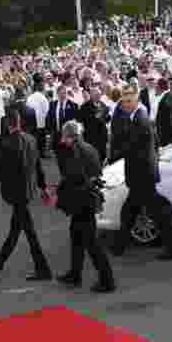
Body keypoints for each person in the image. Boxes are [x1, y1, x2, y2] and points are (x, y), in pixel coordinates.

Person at [0, 105, 52, 281]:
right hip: (28, 190)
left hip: (16, 194)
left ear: (7, 124)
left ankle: (43, 269)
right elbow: (38, 167)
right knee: (16, 228)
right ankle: (1, 259)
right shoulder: (31, 139)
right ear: (19, 122)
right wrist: (43, 187)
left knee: (30, 232)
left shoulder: (7, 145)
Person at [111, 87, 172, 260]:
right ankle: (119, 245)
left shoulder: (140, 119)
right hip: (141, 173)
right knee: (130, 210)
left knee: (157, 213)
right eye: (123, 102)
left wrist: (114, 156)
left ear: (136, 102)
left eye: (128, 101)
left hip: (143, 175)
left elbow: (132, 146)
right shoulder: (137, 117)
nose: (125, 105)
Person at [56, 121, 116, 293]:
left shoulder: (75, 151)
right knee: (76, 235)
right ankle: (75, 274)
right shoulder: (90, 148)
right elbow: (96, 172)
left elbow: (72, 178)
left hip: (82, 201)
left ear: (70, 136)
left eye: (64, 136)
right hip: (88, 199)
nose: (62, 140)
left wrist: (61, 194)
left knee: (92, 243)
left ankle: (107, 280)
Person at [46, 85, 79, 173]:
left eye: (64, 94)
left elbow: (76, 123)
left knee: (70, 157)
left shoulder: (73, 105)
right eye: (60, 94)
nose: (62, 96)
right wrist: (49, 133)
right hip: (57, 136)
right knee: (59, 158)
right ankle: (63, 174)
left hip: (68, 137)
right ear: (57, 94)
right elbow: (49, 118)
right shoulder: (52, 104)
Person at [80, 86, 111, 165]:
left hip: (102, 137)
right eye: (96, 95)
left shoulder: (103, 104)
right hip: (91, 137)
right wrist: (96, 117)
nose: (98, 96)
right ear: (91, 95)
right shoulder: (85, 107)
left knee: (102, 158)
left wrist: (107, 115)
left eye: (99, 94)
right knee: (92, 159)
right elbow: (82, 120)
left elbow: (107, 118)